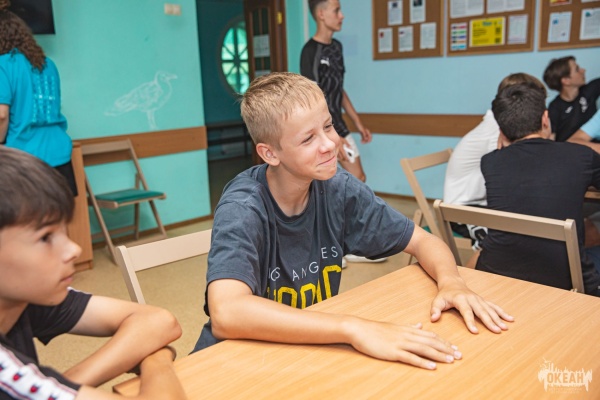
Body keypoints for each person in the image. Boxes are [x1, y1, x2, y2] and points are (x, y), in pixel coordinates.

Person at [192, 72, 513, 370]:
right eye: (308, 139)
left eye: (328, 126)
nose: (330, 144)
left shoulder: (338, 188)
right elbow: (227, 312)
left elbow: (422, 240)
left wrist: (452, 282)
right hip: (228, 363)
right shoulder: (243, 207)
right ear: (270, 154)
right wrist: (352, 327)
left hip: (298, 354)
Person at [0, 146, 186, 398]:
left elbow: (159, 322)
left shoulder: (25, 297)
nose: (74, 249)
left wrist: (59, 384)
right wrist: (158, 360)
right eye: (45, 237)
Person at [477, 81, 600, 296]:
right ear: (545, 119)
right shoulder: (581, 156)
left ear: (501, 131)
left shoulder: (490, 162)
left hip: (496, 274)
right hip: (566, 280)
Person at [443, 73, 547, 255]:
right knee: (512, 237)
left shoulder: (501, 123)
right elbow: (513, 172)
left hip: (482, 203)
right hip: (463, 210)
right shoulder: (497, 129)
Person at [0, 2, 77, 195]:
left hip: (25, 159)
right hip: (60, 154)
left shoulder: (3, 65)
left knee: (23, 213)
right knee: (60, 211)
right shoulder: (48, 64)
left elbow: (1, 115)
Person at [300, 0, 371, 183]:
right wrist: (332, 135)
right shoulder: (310, 51)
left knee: (358, 178)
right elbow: (311, 99)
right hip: (321, 128)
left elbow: (338, 88)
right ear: (321, 14)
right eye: (336, 11)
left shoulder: (337, 47)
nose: (342, 16)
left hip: (338, 124)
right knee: (346, 179)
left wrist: (358, 123)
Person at [543, 56, 600, 142]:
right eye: (577, 69)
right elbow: (551, 139)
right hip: (568, 149)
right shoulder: (555, 108)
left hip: (594, 148)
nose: (583, 70)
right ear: (566, 80)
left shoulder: (589, 90)